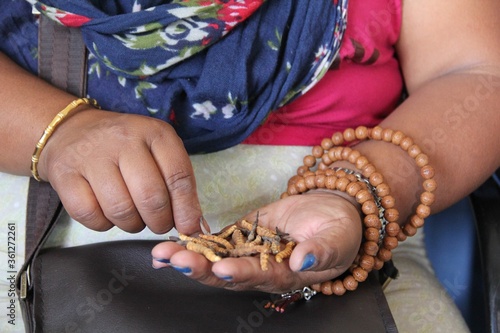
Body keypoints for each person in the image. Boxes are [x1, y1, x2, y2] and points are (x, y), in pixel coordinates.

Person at [1, 0, 499, 331]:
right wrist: (59, 132)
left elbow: (480, 75)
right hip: (44, 253)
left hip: (359, 255)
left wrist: (356, 194)